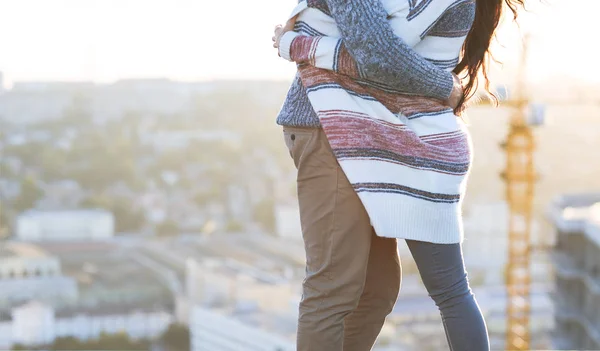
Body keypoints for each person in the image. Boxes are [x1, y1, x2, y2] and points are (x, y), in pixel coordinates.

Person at [272, 0, 524, 350]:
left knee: (378, 288)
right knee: (335, 286)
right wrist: (445, 86)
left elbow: (379, 52)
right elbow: (376, 53)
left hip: (388, 133)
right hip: (330, 124)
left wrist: (296, 44)